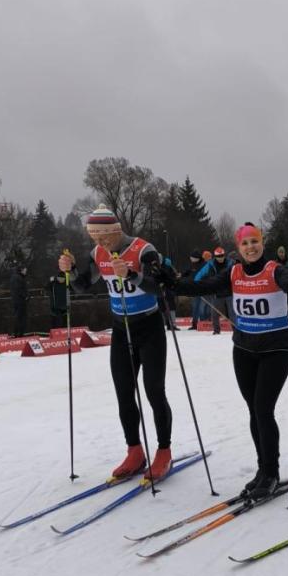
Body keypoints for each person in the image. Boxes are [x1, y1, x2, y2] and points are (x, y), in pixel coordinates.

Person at [173, 223, 288, 499]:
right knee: (253, 411)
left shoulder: (274, 270)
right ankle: (262, 470)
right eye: (245, 243)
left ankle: (272, 473)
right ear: (237, 248)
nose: (251, 247)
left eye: (255, 242)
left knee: (264, 409)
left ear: (261, 243)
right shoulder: (234, 272)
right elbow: (200, 286)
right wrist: (170, 282)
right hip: (243, 349)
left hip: (276, 349)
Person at [58, 206, 174, 481]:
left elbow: (159, 287)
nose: (101, 243)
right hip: (121, 329)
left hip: (149, 326)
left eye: (105, 237)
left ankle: (164, 451)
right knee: (123, 391)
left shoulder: (143, 249)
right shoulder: (98, 254)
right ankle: (134, 450)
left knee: (154, 391)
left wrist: (132, 275)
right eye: (95, 237)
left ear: (116, 231)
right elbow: (83, 286)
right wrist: (71, 270)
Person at [10, 264, 29, 337]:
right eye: (25, 270)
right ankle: (18, 333)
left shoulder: (15, 277)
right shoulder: (18, 278)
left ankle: (18, 333)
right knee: (20, 317)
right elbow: (19, 289)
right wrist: (25, 296)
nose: (26, 271)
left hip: (17, 300)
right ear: (21, 270)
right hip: (20, 301)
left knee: (19, 317)